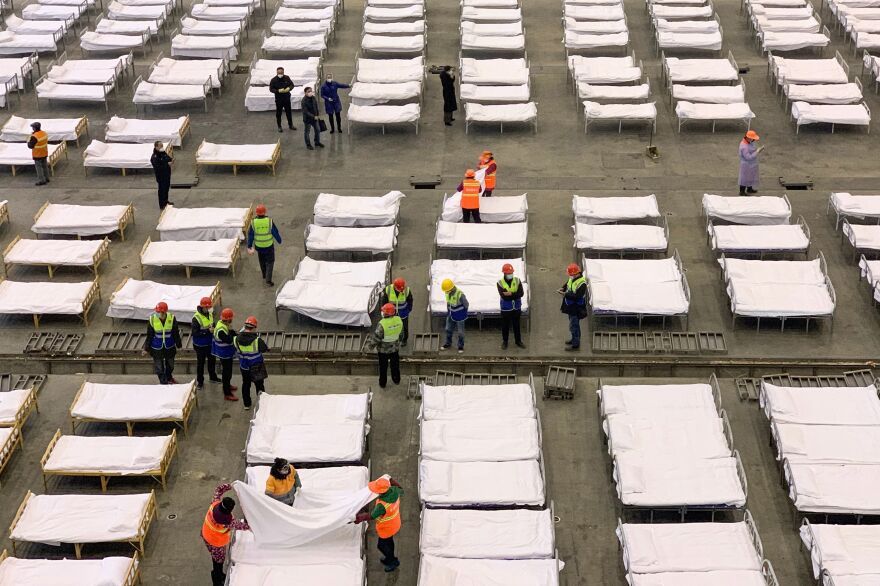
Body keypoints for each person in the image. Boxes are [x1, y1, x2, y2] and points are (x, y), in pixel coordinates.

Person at [202, 483, 250, 586]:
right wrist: (253, 526)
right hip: (215, 542)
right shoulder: (226, 521)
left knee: (214, 557)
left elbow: (218, 490)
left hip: (206, 533)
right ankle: (217, 579)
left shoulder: (215, 504)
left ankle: (218, 575)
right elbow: (241, 526)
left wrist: (230, 485)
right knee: (218, 561)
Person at [355, 477, 404, 573]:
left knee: (381, 546)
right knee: (389, 542)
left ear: (381, 492)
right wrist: (391, 480)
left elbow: (371, 516)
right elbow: (400, 488)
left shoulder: (382, 505)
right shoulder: (395, 491)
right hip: (395, 523)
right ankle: (391, 558)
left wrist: (358, 518)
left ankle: (392, 562)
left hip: (386, 529)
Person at [234, 316, 269, 410]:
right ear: (253, 328)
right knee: (259, 385)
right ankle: (261, 403)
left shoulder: (236, 339)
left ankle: (247, 404)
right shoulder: (257, 340)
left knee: (245, 384)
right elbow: (264, 349)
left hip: (244, 367)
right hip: (256, 367)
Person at [142, 302, 182, 384]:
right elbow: (149, 335)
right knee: (159, 367)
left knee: (171, 365)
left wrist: (179, 345)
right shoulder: (152, 320)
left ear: (166, 312)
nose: (160, 314)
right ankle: (163, 382)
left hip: (169, 346)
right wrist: (146, 348)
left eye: (162, 312)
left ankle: (169, 377)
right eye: (159, 312)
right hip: (157, 348)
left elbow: (175, 333)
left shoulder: (172, 318)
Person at [247, 204, 282, 287]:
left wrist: (249, 245)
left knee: (262, 261)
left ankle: (264, 275)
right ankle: (268, 280)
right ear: (264, 212)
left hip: (259, 246)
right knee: (270, 262)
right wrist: (279, 240)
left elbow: (251, 235)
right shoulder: (269, 221)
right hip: (269, 246)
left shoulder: (253, 222)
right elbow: (275, 231)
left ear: (256, 213)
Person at [192, 297, 221, 390]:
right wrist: (207, 331)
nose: (209, 309)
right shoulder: (196, 318)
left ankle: (213, 377)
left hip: (210, 343)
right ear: (202, 307)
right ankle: (200, 382)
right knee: (200, 364)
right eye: (207, 307)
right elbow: (195, 333)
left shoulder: (210, 313)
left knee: (212, 361)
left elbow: (212, 324)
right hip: (200, 345)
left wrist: (215, 328)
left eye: (209, 307)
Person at [371, 303, 402, 389]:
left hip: (383, 351)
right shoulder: (399, 320)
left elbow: (377, 338)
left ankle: (383, 383)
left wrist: (370, 346)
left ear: (386, 313)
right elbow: (401, 334)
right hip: (395, 348)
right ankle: (396, 380)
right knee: (395, 365)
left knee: (383, 367)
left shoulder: (382, 324)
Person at [558, 263, 587, 351]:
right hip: (571, 306)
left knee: (574, 326)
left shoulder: (582, 284)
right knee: (574, 325)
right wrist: (563, 288)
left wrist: (565, 294)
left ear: (576, 273)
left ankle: (575, 344)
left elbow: (577, 296)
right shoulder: (574, 278)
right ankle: (574, 339)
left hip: (576, 307)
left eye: (571, 274)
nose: (570, 276)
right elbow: (568, 283)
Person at [212, 308, 239, 401]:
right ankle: (227, 393)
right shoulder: (221, 330)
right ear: (228, 319)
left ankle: (227, 385)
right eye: (231, 318)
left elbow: (229, 334)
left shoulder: (222, 324)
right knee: (226, 373)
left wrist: (233, 331)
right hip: (224, 353)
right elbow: (229, 339)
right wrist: (235, 335)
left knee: (228, 372)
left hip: (226, 352)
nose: (232, 320)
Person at [498, 263, 525, 350]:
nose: (510, 274)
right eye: (508, 273)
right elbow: (504, 297)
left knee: (516, 325)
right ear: (504, 274)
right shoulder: (500, 283)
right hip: (506, 309)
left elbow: (521, 293)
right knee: (505, 326)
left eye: (511, 273)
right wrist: (514, 294)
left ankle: (518, 341)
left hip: (516, 308)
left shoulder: (517, 280)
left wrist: (511, 294)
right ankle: (505, 341)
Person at [379, 278, 412, 345]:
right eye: (399, 290)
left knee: (404, 327)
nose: (401, 291)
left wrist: (408, 310)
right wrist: (384, 312)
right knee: (391, 327)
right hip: (391, 314)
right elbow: (384, 302)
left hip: (403, 313)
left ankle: (404, 340)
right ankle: (393, 339)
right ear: (395, 287)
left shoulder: (407, 290)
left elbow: (410, 300)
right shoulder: (388, 290)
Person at [441, 278, 468, 353]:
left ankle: (460, 346)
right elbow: (448, 303)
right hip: (451, 314)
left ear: (451, 288)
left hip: (460, 316)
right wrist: (448, 312)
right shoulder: (447, 293)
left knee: (460, 332)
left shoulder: (460, 295)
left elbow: (466, 305)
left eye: (446, 290)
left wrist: (462, 313)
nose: (445, 292)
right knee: (448, 329)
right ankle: (448, 343)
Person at [269, 67, 296, 133]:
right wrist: (277, 91)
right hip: (279, 99)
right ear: (277, 72)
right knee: (278, 113)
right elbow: (271, 89)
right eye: (279, 73)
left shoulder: (287, 78)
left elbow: (292, 85)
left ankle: (290, 125)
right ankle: (279, 126)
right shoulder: (273, 80)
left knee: (288, 112)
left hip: (286, 98)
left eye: (281, 73)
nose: (280, 74)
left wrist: (289, 88)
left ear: (283, 72)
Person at [738, 130, 763, 196]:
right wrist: (757, 151)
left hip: (751, 164)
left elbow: (751, 148)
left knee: (750, 176)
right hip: (746, 164)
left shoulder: (748, 141)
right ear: (749, 138)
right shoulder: (744, 147)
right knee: (744, 178)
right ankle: (742, 192)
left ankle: (749, 188)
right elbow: (748, 157)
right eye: (753, 138)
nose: (754, 140)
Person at [150, 141, 173, 209]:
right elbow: (158, 167)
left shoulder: (162, 152)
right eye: (160, 146)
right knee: (162, 190)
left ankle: (166, 201)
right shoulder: (154, 157)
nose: (162, 147)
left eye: (162, 146)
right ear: (156, 147)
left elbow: (167, 157)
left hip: (167, 174)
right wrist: (167, 164)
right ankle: (162, 205)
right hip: (161, 176)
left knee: (166, 189)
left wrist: (171, 160)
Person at [27, 122, 50, 186]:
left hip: (37, 154)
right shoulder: (44, 133)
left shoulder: (34, 136)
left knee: (39, 168)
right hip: (44, 152)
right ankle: (47, 178)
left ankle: (42, 180)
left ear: (34, 128)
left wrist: (28, 140)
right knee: (45, 166)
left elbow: (30, 146)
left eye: (32, 127)